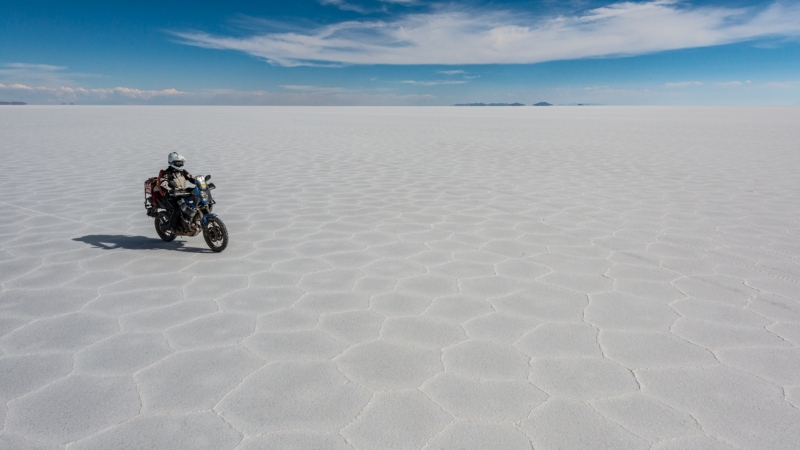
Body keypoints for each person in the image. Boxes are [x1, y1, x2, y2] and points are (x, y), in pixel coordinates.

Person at [160, 152, 196, 229]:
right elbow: (163, 184)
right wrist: (169, 190)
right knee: (177, 210)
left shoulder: (182, 171)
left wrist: (200, 182)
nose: (181, 164)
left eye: (181, 162)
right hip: (172, 196)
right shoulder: (167, 173)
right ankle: (173, 227)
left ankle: (192, 219)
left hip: (182, 193)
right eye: (178, 162)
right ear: (172, 162)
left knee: (197, 200)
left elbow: (191, 177)